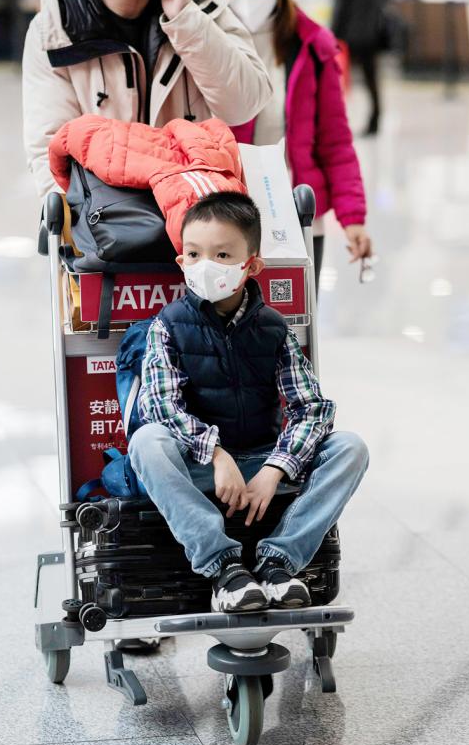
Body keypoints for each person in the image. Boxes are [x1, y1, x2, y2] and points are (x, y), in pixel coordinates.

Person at [129, 191, 369, 613]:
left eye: (222, 254)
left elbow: (311, 408)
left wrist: (277, 469)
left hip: (262, 458)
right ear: (182, 262)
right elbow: (160, 406)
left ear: (251, 265)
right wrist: (216, 454)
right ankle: (224, 568)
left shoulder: (273, 329)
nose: (207, 265)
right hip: (201, 467)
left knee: (350, 447)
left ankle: (279, 563)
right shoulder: (167, 327)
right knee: (148, 440)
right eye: (194, 254)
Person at [22, 0, 271, 200]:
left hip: (195, 216)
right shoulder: (55, 31)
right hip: (107, 221)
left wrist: (185, 20)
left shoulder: (205, 7)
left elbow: (244, 104)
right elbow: (49, 144)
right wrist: (78, 225)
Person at [208, 0, 372, 288]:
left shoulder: (312, 47)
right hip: (222, 226)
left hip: (296, 220)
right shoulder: (202, 47)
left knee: (297, 333)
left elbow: (335, 143)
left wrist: (353, 217)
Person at [331, 0, 389, 136]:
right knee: (371, 78)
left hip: (349, 35)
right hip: (372, 32)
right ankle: (375, 120)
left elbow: (340, 6)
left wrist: (332, 36)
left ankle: (338, 124)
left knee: (339, 80)